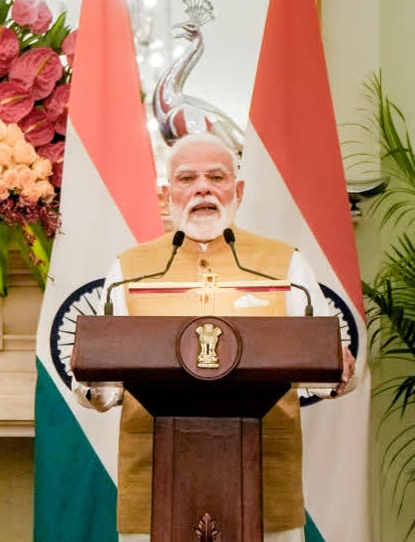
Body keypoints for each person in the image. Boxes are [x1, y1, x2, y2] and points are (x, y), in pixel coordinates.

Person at [76, 132, 356, 542]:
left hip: (265, 475)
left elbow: (330, 371)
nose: (202, 188)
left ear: (237, 191)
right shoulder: (130, 270)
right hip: (156, 479)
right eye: (187, 178)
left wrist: (341, 369)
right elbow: (99, 386)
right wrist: (90, 379)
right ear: (167, 192)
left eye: (217, 177)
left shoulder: (286, 266)